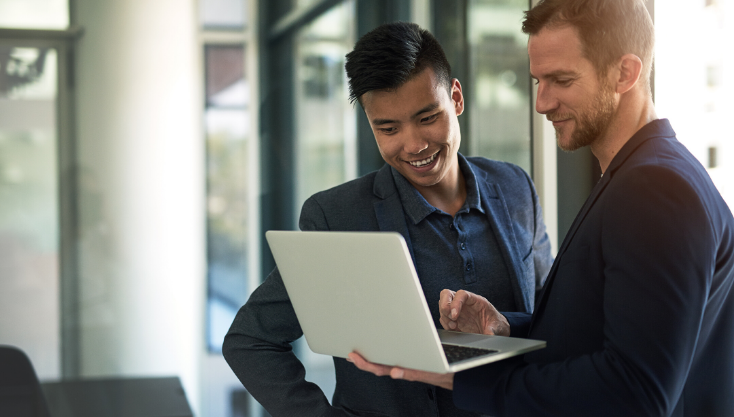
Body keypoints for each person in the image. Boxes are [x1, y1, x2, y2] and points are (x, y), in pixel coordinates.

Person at [349, 1, 734, 416]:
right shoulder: (640, 176)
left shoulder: (654, 188)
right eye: (537, 81)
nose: (542, 103)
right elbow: (614, 333)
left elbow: (634, 392)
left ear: (626, 73)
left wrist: (462, 379)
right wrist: (506, 327)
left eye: (561, 80)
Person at [223, 22, 553, 417]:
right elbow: (249, 340)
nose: (414, 144)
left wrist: (504, 326)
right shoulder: (338, 218)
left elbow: (552, 324)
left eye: (428, 117)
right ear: (370, 124)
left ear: (457, 98)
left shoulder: (515, 188)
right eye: (388, 128)